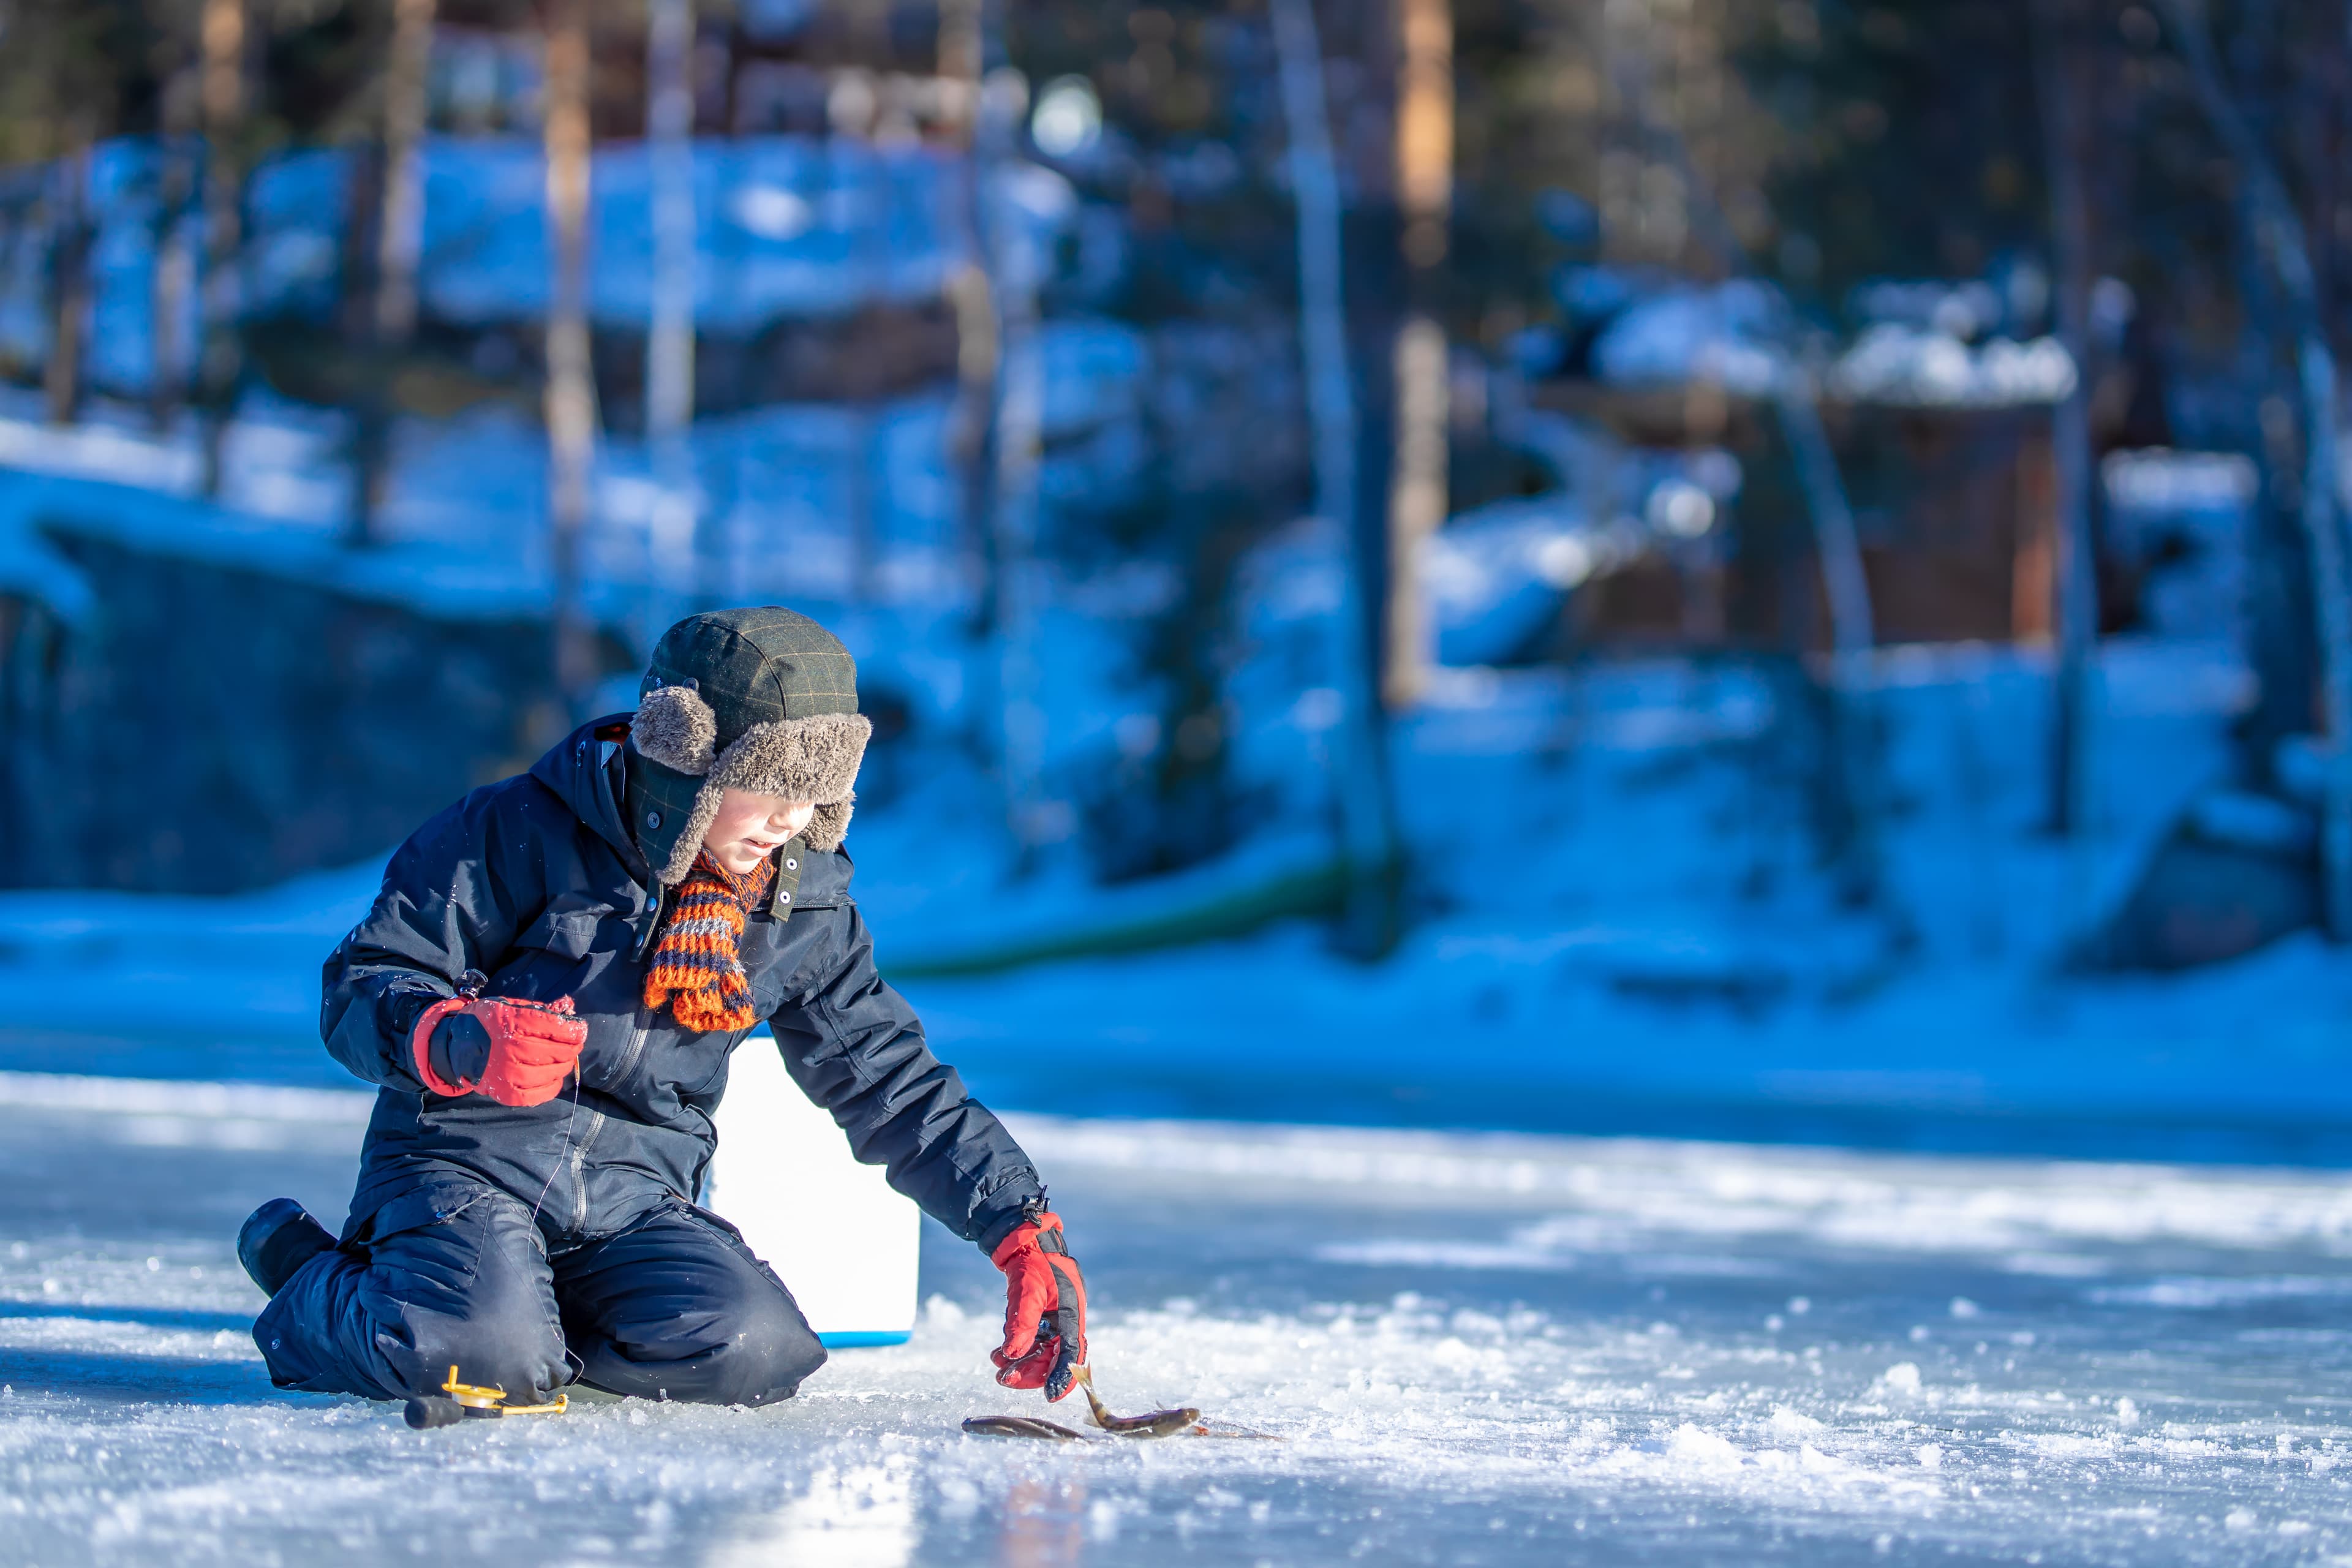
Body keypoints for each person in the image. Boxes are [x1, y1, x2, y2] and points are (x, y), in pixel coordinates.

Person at [238, 607, 1086, 1409]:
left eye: (817, 789)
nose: (792, 818)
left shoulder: (802, 905)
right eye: (768, 783)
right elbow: (366, 979)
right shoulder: (515, 831)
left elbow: (889, 1077)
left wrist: (1016, 1220)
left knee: (756, 1353)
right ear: (683, 753)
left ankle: (482, 1316)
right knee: (482, 1363)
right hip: (464, 1167)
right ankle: (328, 1283)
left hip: (633, 1197)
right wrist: (451, 1037)